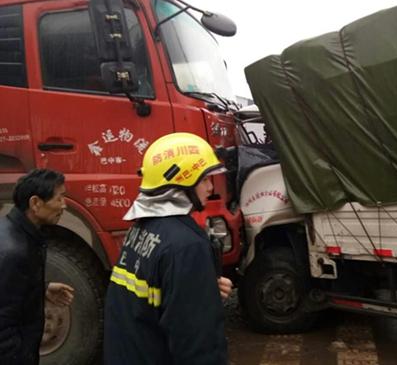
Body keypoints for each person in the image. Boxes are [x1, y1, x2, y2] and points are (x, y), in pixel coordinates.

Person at [104, 132, 233, 365]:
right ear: (181, 180)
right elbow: (197, 344)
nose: (210, 186)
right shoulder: (186, 246)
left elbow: (153, 299)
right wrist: (199, 297)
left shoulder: (142, 228)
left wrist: (201, 291)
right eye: (204, 179)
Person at [0, 168, 75, 365]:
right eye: (59, 199)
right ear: (35, 203)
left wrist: (41, 289)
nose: (64, 205)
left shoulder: (16, 231)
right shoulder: (15, 251)